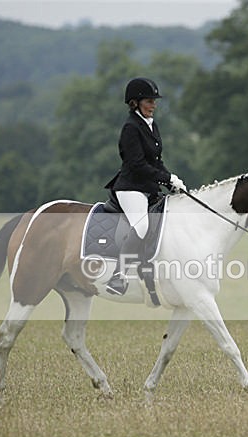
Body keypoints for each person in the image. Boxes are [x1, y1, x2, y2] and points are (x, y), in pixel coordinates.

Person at [104, 77, 186, 296]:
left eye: (154, 101)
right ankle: (118, 276)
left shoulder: (151, 125)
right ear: (135, 103)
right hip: (130, 187)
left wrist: (171, 180)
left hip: (148, 187)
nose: (154, 105)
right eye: (149, 101)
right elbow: (137, 165)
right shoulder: (130, 128)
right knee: (141, 227)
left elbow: (156, 161)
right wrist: (165, 178)